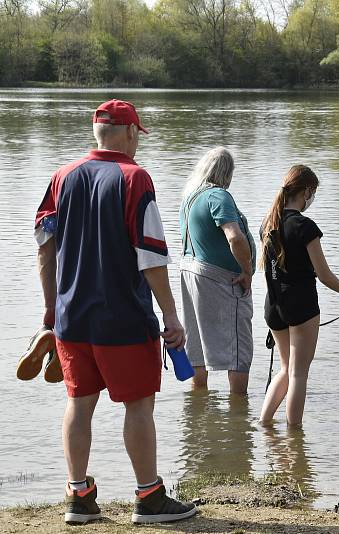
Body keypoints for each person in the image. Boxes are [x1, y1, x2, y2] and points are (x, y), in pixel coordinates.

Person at [34, 99, 197, 525]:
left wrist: (51, 312)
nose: (137, 144)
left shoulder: (61, 177)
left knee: (78, 403)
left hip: (72, 320)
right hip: (123, 318)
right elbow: (151, 255)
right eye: (137, 135)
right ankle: (149, 498)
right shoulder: (135, 178)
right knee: (139, 406)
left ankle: (79, 498)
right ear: (127, 133)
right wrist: (172, 317)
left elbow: (44, 247)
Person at [259, 165, 339, 426]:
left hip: (273, 307)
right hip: (301, 306)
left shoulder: (268, 222)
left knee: (285, 369)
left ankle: (264, 424)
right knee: (298, 375)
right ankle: (295, 437)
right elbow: (325, 275)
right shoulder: (305, 226)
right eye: (314, 192)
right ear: (307, 191)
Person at [179, 147, 255, 395]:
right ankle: (238, 409)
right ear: (227, 173)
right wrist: (247, 270)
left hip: (190, 272)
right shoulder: (218, 196)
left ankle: (198, 399)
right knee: (238, 349)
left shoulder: (189, 197)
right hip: (219, 278)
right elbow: (234, 237)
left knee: (198, 343)